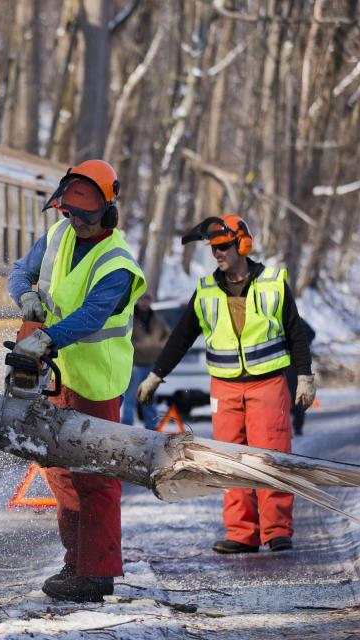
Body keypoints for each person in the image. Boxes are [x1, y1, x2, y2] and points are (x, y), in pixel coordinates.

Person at [7, 159, 145, 602]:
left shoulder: (118, 263)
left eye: (85, 216)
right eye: (70, 213)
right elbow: (18, 271)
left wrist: (46, 338)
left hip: (97, 380)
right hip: (55, 372)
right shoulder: (57, 235)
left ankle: (99, 572)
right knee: (59, 470)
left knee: (96, 475)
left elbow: (91, 317)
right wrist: (24, 295)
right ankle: (76, 562)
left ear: (107, 209)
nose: (76, 223)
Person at [137, 214, 315, 554]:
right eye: (214, 248)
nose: (218, 253)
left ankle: (277, 530)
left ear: (242, 245)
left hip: (268, 385)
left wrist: (305, 376)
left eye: (223, 246)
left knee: (272, 457)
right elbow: (181, 337)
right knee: (229, 461)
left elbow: (296, 333)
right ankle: (242, 533)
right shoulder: (205, 292)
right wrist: (156, 375)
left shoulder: (274, 284)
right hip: (225, 387)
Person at [121, 293, 170, 429]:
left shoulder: (157, 319)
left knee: (149, 399)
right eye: (142, 299)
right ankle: (126, 427)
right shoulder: (131, 316)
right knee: (130, 398)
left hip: (152, 365)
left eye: (147, 299)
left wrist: (162, 343)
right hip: (135, 364)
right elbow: (123, 334)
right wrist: (133, 345)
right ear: (138, 300)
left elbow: (168, 334)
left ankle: (152, 429)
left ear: (150, 301)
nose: (144, 302)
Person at [285, 319, 316, 435]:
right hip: (284, 363)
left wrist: (300, 346)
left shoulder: (296, 319)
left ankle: (297, 426)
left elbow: (312, 333)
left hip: (294, 363)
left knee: (296, 395)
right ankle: (292, 426)